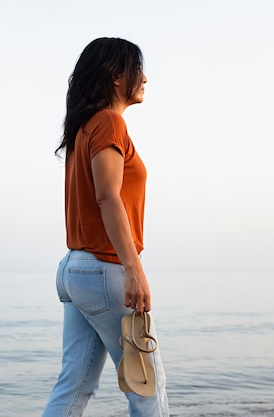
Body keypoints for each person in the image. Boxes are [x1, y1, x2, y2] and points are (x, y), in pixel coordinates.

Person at [41, 37, 168, 417]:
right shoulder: (109, 123)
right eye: (137, 69)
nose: (145, 78)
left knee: (75, 384)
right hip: (104, 268)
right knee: (147, 385)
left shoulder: (83, 129)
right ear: (116, 76)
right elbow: (108, 198)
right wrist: (134, 269)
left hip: (76, 269)